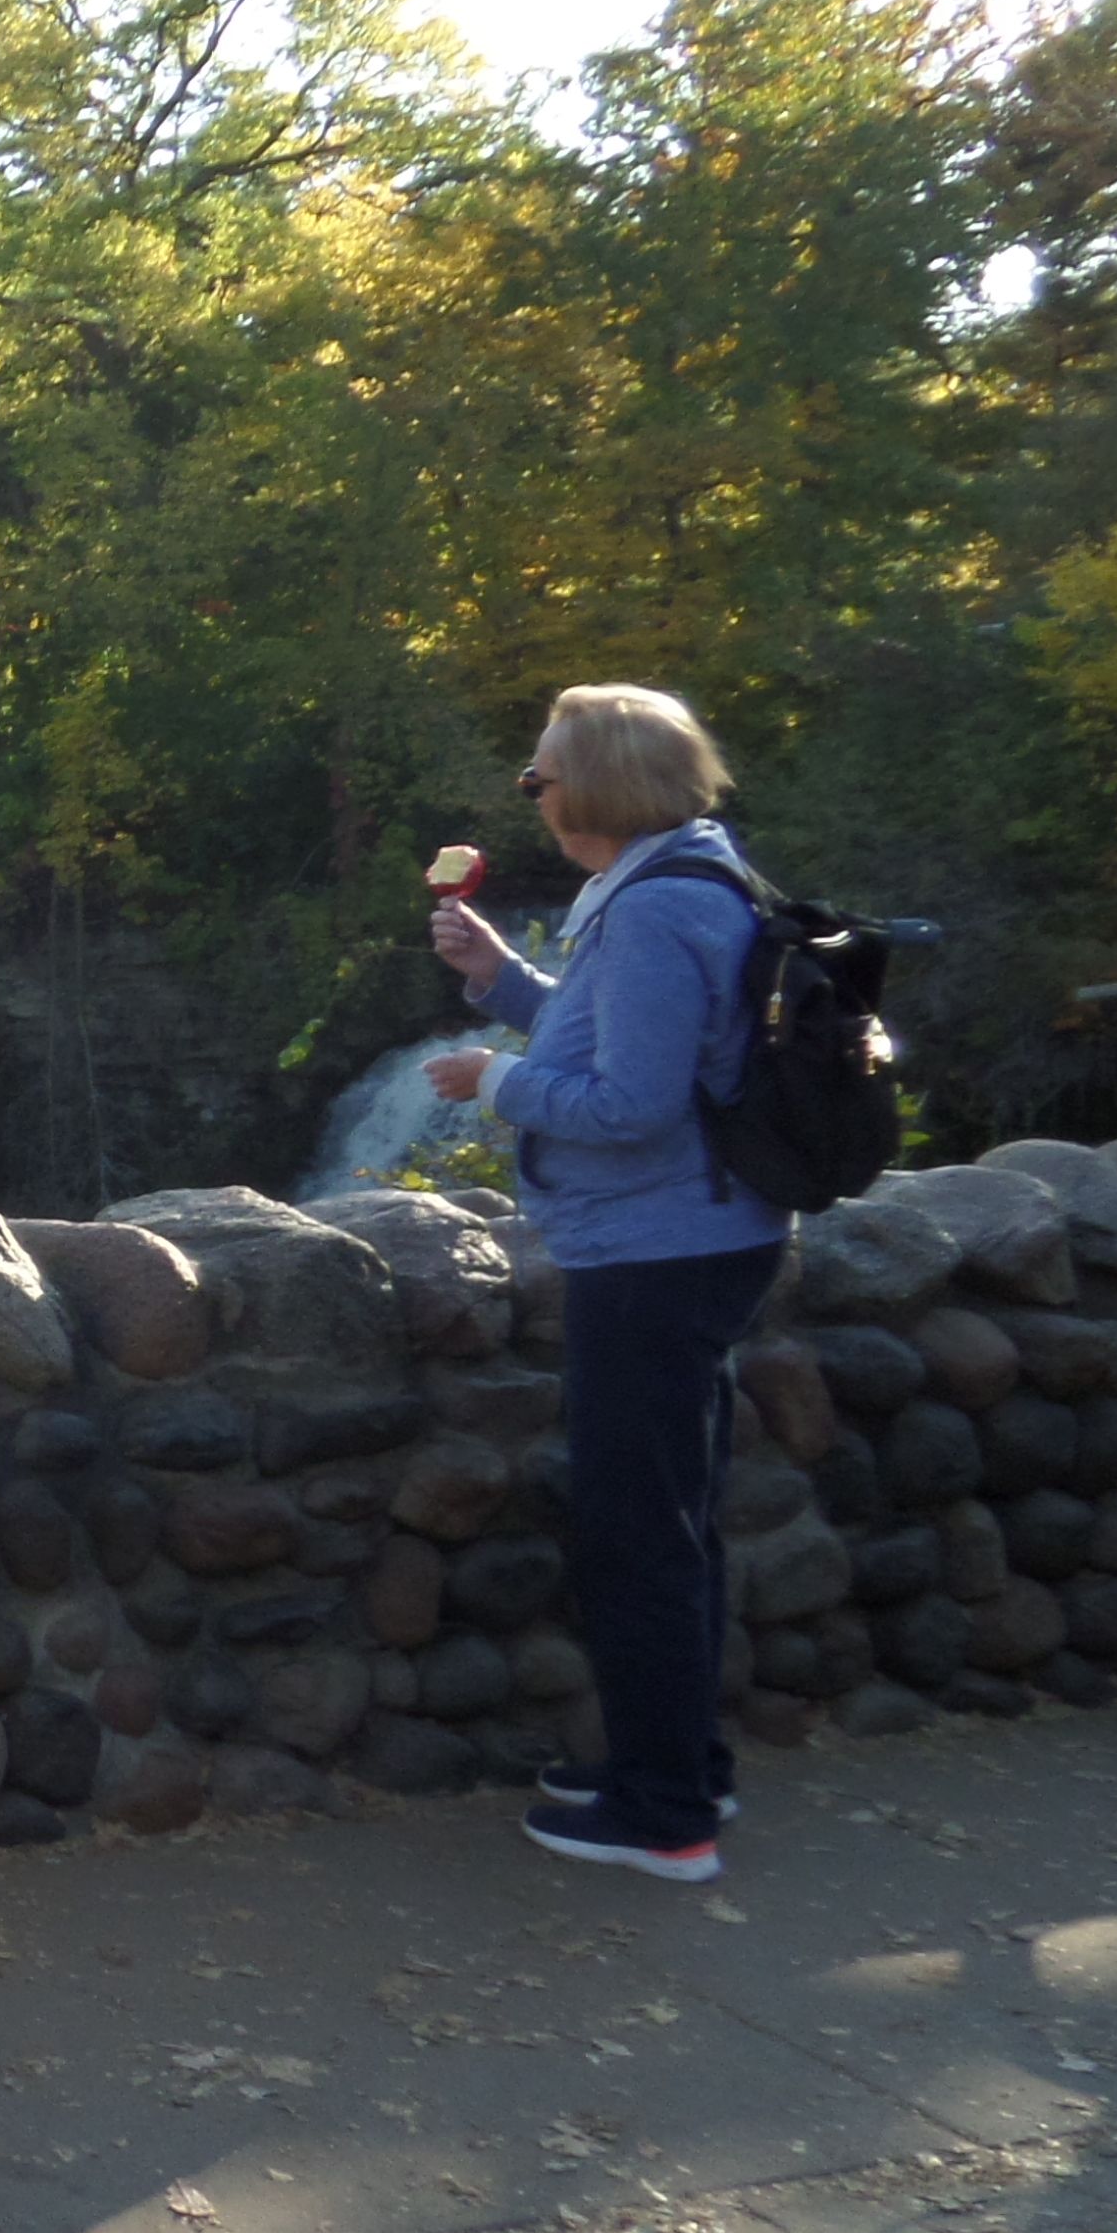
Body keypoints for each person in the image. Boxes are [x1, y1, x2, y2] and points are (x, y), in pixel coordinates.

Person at [423, 682, 787, 1885]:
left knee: (639, 1533)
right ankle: (678, 1761)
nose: (529, 795)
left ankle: (666, 1817)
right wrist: (502, 978)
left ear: (601, 786)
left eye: (540, 776)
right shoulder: (680, 878)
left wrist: (493, 1083)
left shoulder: (650, 912)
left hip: (657, 1250)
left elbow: (630, 1107)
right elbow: (607, 1035)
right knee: (673, 1517)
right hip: (690, 1239)